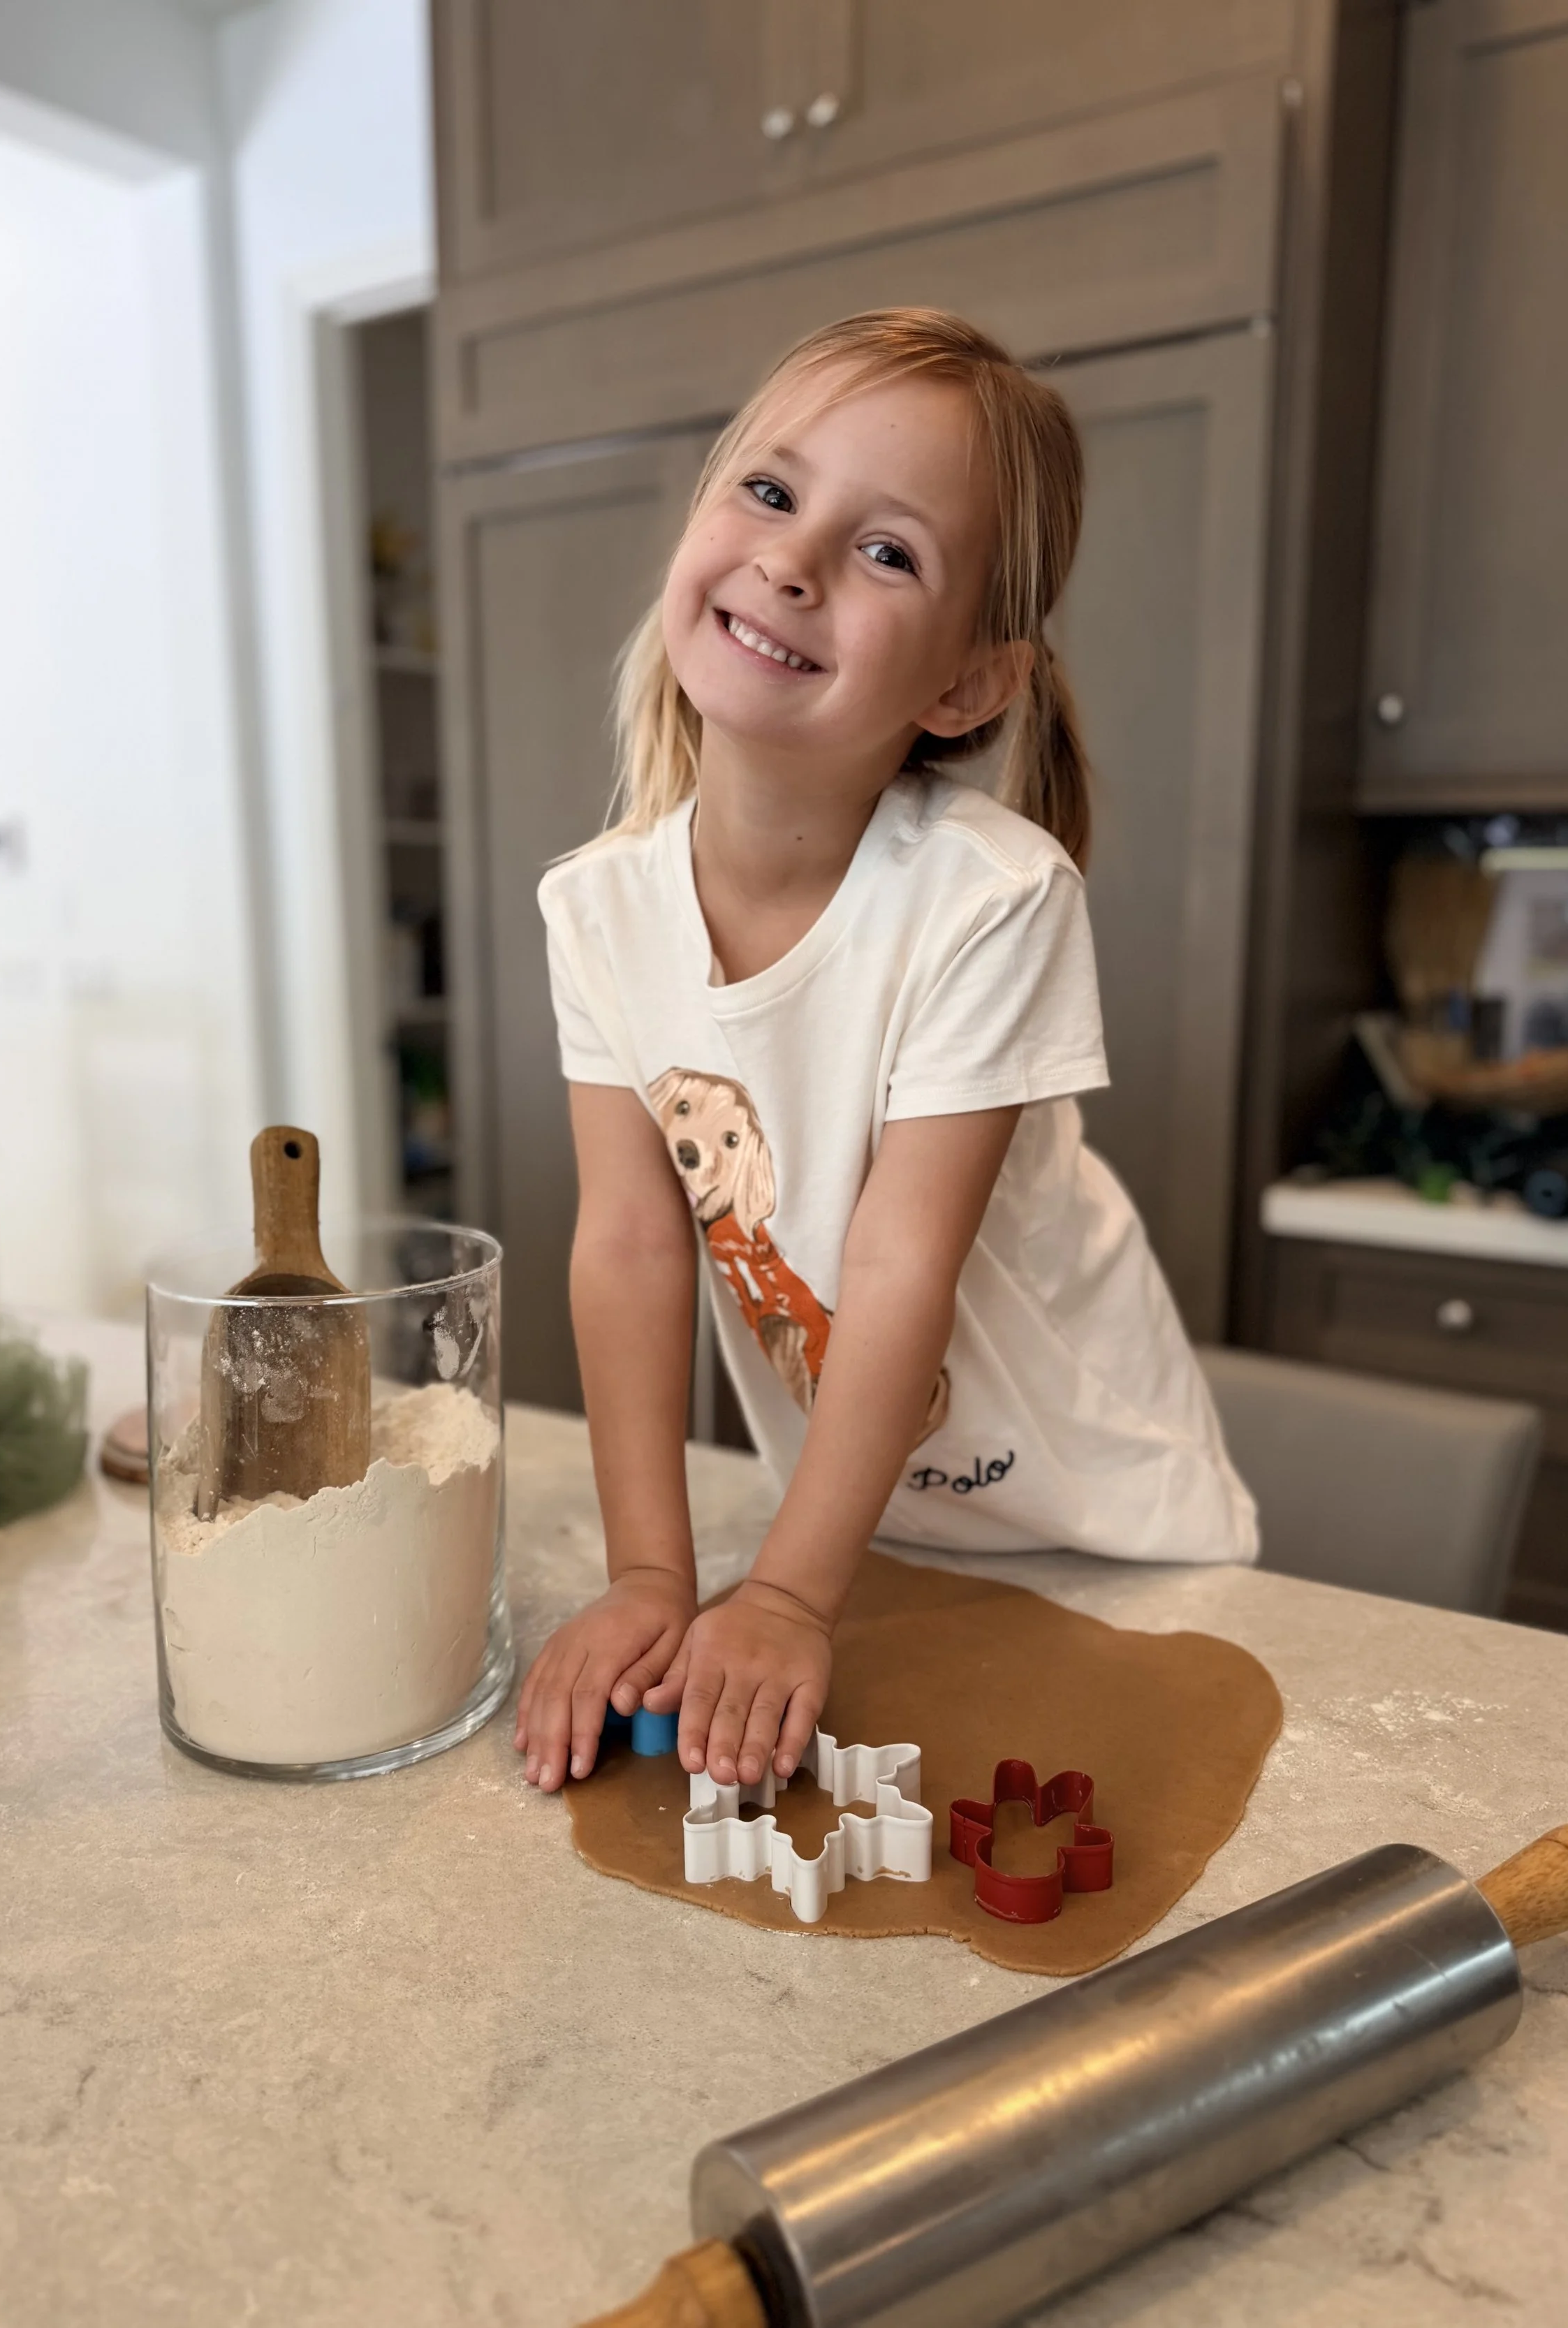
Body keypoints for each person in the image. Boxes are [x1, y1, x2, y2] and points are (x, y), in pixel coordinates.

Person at [514, 308, 1256, 1802]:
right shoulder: (595, 909)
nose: (792, 560)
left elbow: (900, 1257)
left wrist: (783, 1597)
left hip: (1096, 1538)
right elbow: (629, 1246)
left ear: (968, 687)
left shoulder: (990, 898)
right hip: (864, 1535)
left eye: (887, 551)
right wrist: (653, 1570)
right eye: (771, 494)